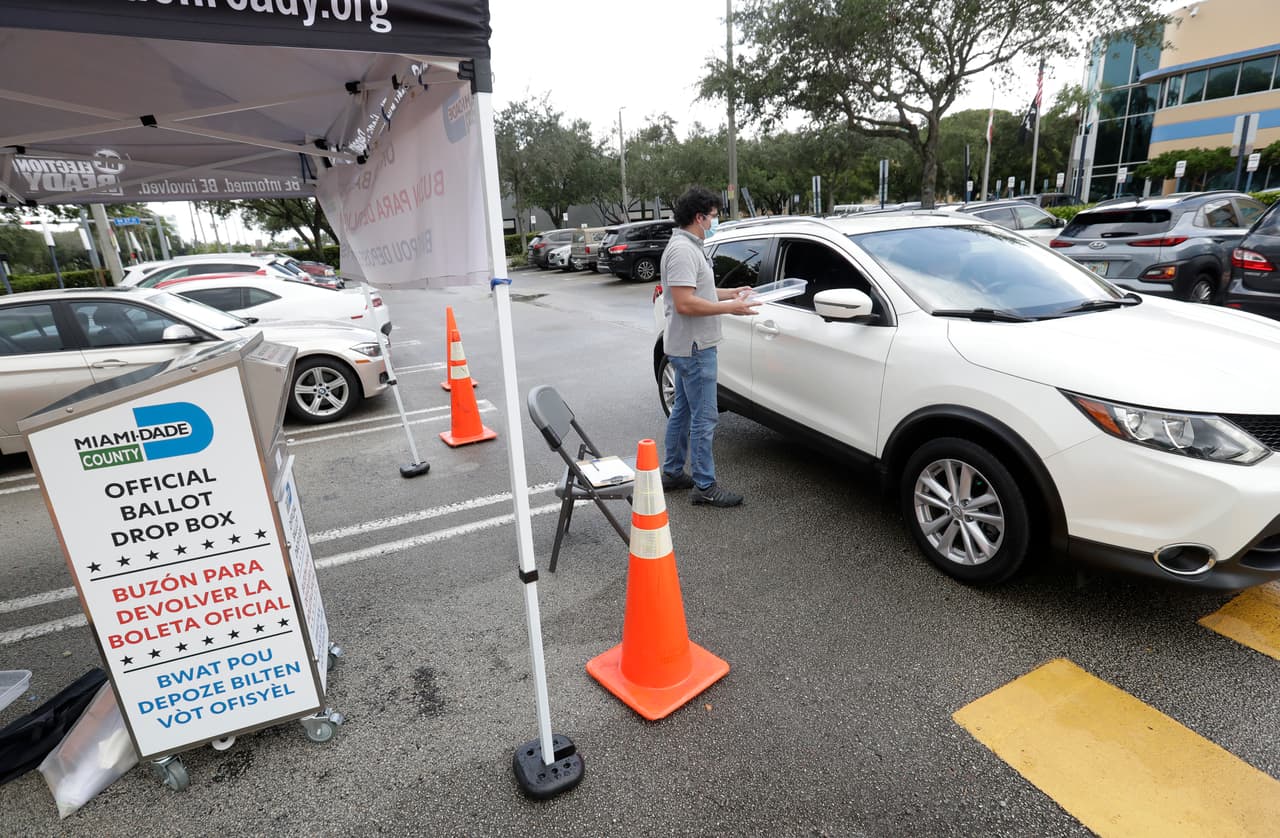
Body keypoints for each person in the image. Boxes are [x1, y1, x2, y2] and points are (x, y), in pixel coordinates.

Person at [660, 186, 758, 507]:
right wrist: (732, 309)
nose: (716, 220)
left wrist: (731, 293)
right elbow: (686, 303)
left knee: (685, 412)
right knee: (705, 417)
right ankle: (704, 485)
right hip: (695, 347)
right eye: (714, 216)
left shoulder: (690, 246)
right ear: (699, 217)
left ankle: (674, 472)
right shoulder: (682, 251)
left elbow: (700, 290)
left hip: (690, 345)